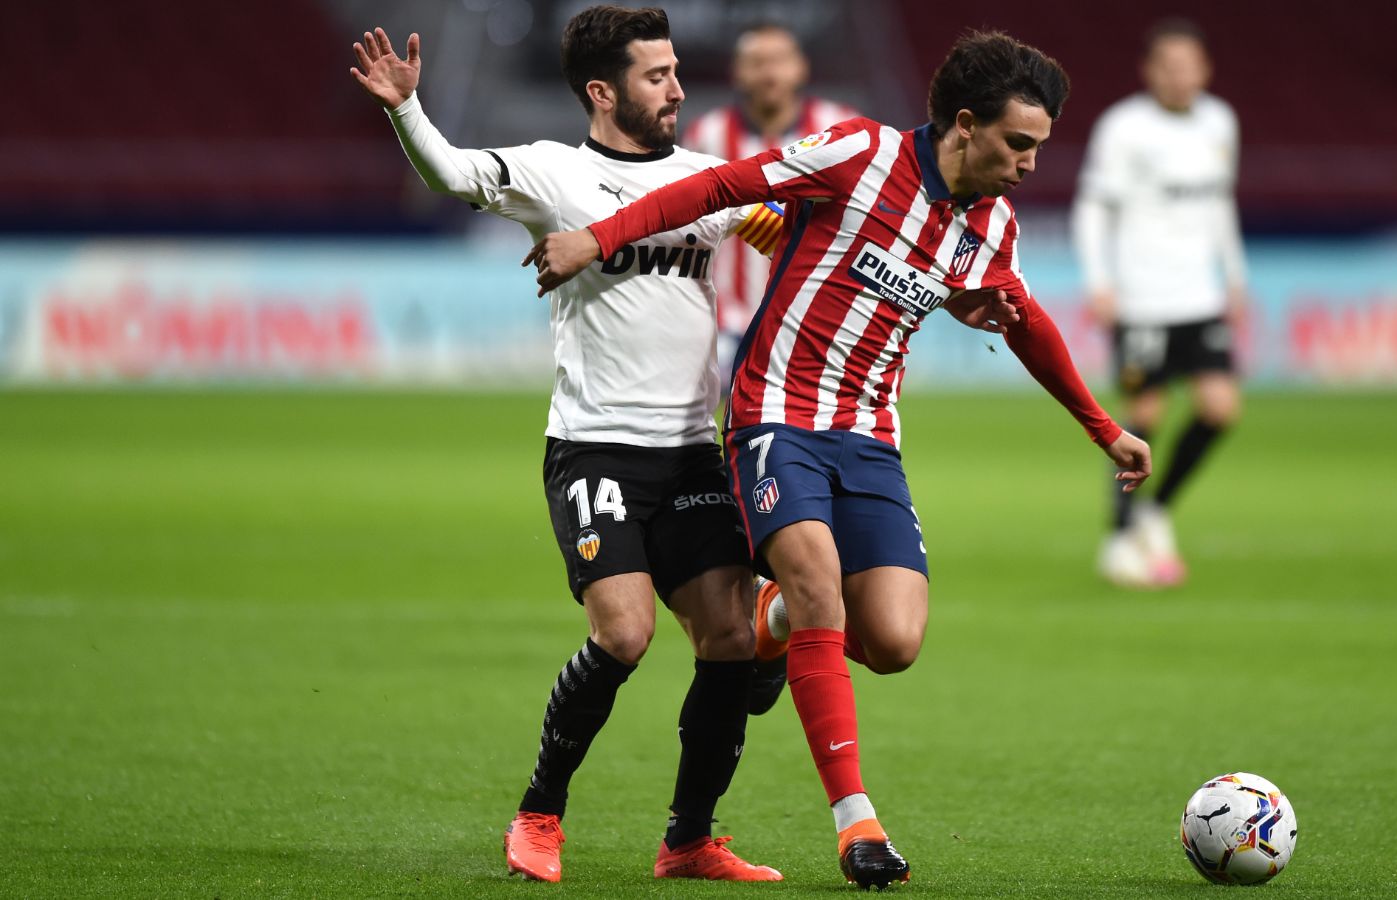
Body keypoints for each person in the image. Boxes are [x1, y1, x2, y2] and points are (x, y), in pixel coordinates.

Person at [527, 30, 1153, 889]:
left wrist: (1101, 426)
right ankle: (856, 826)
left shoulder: (990, 227)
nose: (1030, 165)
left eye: (1038, 148)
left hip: (870, 440)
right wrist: (600, 237)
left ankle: (774, 623)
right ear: (965, 126)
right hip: (773, 417)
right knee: (821, 583)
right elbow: (720, 183)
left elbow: (1026, 319)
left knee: (893, 640)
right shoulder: (858, 153)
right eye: (1019, 144)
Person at [348, 6, 785, 884]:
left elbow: (789, 227)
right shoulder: (556, 175)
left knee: (731, 637)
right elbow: (452, 173)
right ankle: (539, 815)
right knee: (623, 635)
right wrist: (406, 109)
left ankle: (689, 839)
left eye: (673, 71)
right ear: (603, 90)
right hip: (595, 449)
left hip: (691, 450)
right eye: (657, 76)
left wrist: (785, 228)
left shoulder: (709, 181)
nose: (677, 88)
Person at [1071, 18, 1247, 588]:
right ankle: (1120, 538)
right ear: (1149, 71)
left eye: (1188, 65)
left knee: (1220, 409)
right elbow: (1093, 207)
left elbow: (1220, 206)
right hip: (1144, 296)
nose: (1179, 76)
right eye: (1167, 66)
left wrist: (1235, 276)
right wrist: (1100, 280)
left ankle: (1156, 509)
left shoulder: (1221, 122)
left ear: (1206, 69)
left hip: (1200, 295)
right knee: (1144, 417)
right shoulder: (1124, 128)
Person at [682, 22, 857, 378]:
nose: (769, 72)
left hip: (816, 320)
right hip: (727, 321)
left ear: (800, 67)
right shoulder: (707, 135)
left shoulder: (840, 128)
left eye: (778, 60)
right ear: (737, 72)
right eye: (757, 62)